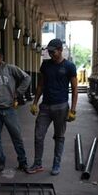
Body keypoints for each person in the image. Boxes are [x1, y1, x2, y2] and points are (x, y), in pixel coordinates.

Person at [26, 38, 78, 176]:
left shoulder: (69, 66)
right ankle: (37, 164)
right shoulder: (45, 65)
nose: (50, 54)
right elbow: (41, 85)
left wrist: (73, 110)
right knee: (38, 135)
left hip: (61, 107)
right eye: (49, 51)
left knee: (59, 136)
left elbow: (74, 89)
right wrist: (35, 103)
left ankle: (56, 164)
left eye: (53, 51)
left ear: (60, 50)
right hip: (45, 107)